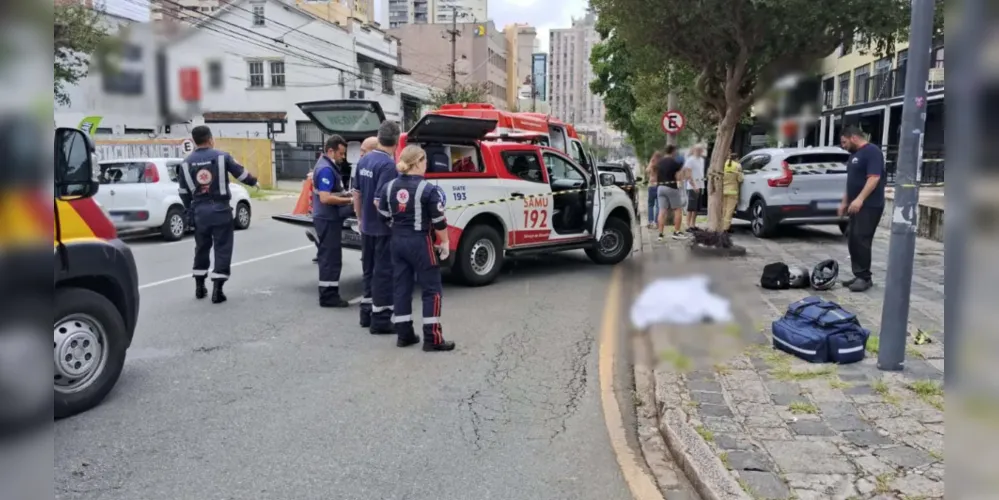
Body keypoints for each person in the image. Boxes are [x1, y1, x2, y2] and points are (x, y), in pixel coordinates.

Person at [375, 145, 455, 352]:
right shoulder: (428, 190)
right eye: (425, 160)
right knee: (432, 290)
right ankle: (432, 338)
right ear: (418, 162)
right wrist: (445, 243)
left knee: (401, 289)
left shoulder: (389, 187)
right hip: (420, 242)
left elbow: (382, 215)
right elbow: (439, 221)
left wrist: (397, 227)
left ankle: (404, 334)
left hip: (397, 242)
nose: (426, 164)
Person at [177, 125, 258, 303]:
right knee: (222, 248)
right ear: (211, 139)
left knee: (201, 247)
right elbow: (241, 173)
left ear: (194, 141)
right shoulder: (222, 157)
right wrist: (254, 182)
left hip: (199, 211)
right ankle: (217, 290)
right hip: (220, 210)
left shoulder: (185, 164)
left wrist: (189, 209)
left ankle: (199, 286)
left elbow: (183, 192)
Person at [352, 122, 401, 333]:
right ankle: (381, 320)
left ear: (379, 137)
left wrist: (360, 219)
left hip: (367, 228)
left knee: (368, 271)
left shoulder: (364, 161)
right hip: (382, 230)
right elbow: (379, 201)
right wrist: (392, 221)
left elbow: (357, 194)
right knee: (383, 273)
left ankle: (366, 314)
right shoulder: (388, 166)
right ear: (397, 142)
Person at [838, 125, 887, 292]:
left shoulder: (872, 152)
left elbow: (874, 178)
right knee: (853, 239)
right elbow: (851, 181)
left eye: (844, 142)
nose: (843, 146)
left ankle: (864, 278)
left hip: (869, 205)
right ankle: (858, 273)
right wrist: (845, 201)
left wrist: (859, 199)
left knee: (862, 239)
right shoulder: (854, 156)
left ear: (853, 137)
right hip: (855, 205)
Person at [313, 135, 353, 307]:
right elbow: (325, 198)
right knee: (330, 258)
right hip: (327, 219)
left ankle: (329, 293)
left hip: (328, 219)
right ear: (331, 151)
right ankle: (328, 296)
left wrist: (345, 194)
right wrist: (350, 201)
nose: (342, 157)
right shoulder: (326, 170)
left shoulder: (327, 166)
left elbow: (331, 193)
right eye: (341, 153)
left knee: (331, 257)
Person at [655, 145, 687, 241]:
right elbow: (679, 175)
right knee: (678, 209)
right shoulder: (674, 163)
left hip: (660, 188)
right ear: (672, 152)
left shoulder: (659, 162)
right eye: (675, 152)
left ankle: (660, 234)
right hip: (671, 188)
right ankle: (676, 232)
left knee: (662, 211)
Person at [683, 144, 706, 231]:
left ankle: (693, 224)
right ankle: (688, 225)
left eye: (701, 150)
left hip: (700, 185)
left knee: (696, 208)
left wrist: (700, 185)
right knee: (691, 207)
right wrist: (694, 185)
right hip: (692, 187)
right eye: (698, 150)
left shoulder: (701, 160)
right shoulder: (690, 160)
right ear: (694, 151)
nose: (700, 152)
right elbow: (688, 175)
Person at [721, 152, 744, 233]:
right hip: (733, 191)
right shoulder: (738, 166)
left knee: (723, 209)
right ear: (737, 158)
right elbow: (740, 179)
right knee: (729, 211)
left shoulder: (723, 164)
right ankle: (726, 228)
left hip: (723, 190)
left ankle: (721, 226)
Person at [644, 151, 663, 229]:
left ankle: (650, 221)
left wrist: (650, 162)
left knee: (650, 205)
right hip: (659, 186)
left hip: (651, 186)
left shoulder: (652, 164)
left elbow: (647, 171)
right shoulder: (661, 165)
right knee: (658, 206)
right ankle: (656, 222)